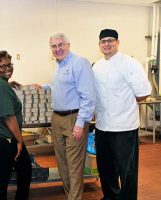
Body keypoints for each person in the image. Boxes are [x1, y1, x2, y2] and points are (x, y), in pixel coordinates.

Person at [93, 29, 152, 200]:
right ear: (99, 45)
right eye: (103, 41)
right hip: (102, 127)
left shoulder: (130, 63)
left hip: (124, 127)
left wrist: (124, 104)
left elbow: (143, 92)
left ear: (118, 42)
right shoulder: (97, 66)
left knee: (127, 170)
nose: (107, 44)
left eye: (111, 40)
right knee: (105, 168)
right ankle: (110, 197)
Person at [36, 32, 95, 200]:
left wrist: (80, 123)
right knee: (62, 164)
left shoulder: (79, 63)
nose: (57, 49)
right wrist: (43, 87)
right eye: (54, 46)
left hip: (73, 119)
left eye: (60, 45)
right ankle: (71, 195)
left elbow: (88, 96)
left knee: (74, 165)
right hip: (57, 118)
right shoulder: (59, 66)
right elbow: (59, 87)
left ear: (68, 45)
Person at [0, 51, 32, 200]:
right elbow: (9, 117)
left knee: (19, 168)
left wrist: (8, 83)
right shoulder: (1, 86)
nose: (7, 69)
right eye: (2, 66)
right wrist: (19, 140)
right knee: (6, 174)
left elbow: (0, 89)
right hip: (2, 135)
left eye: (9, 65)